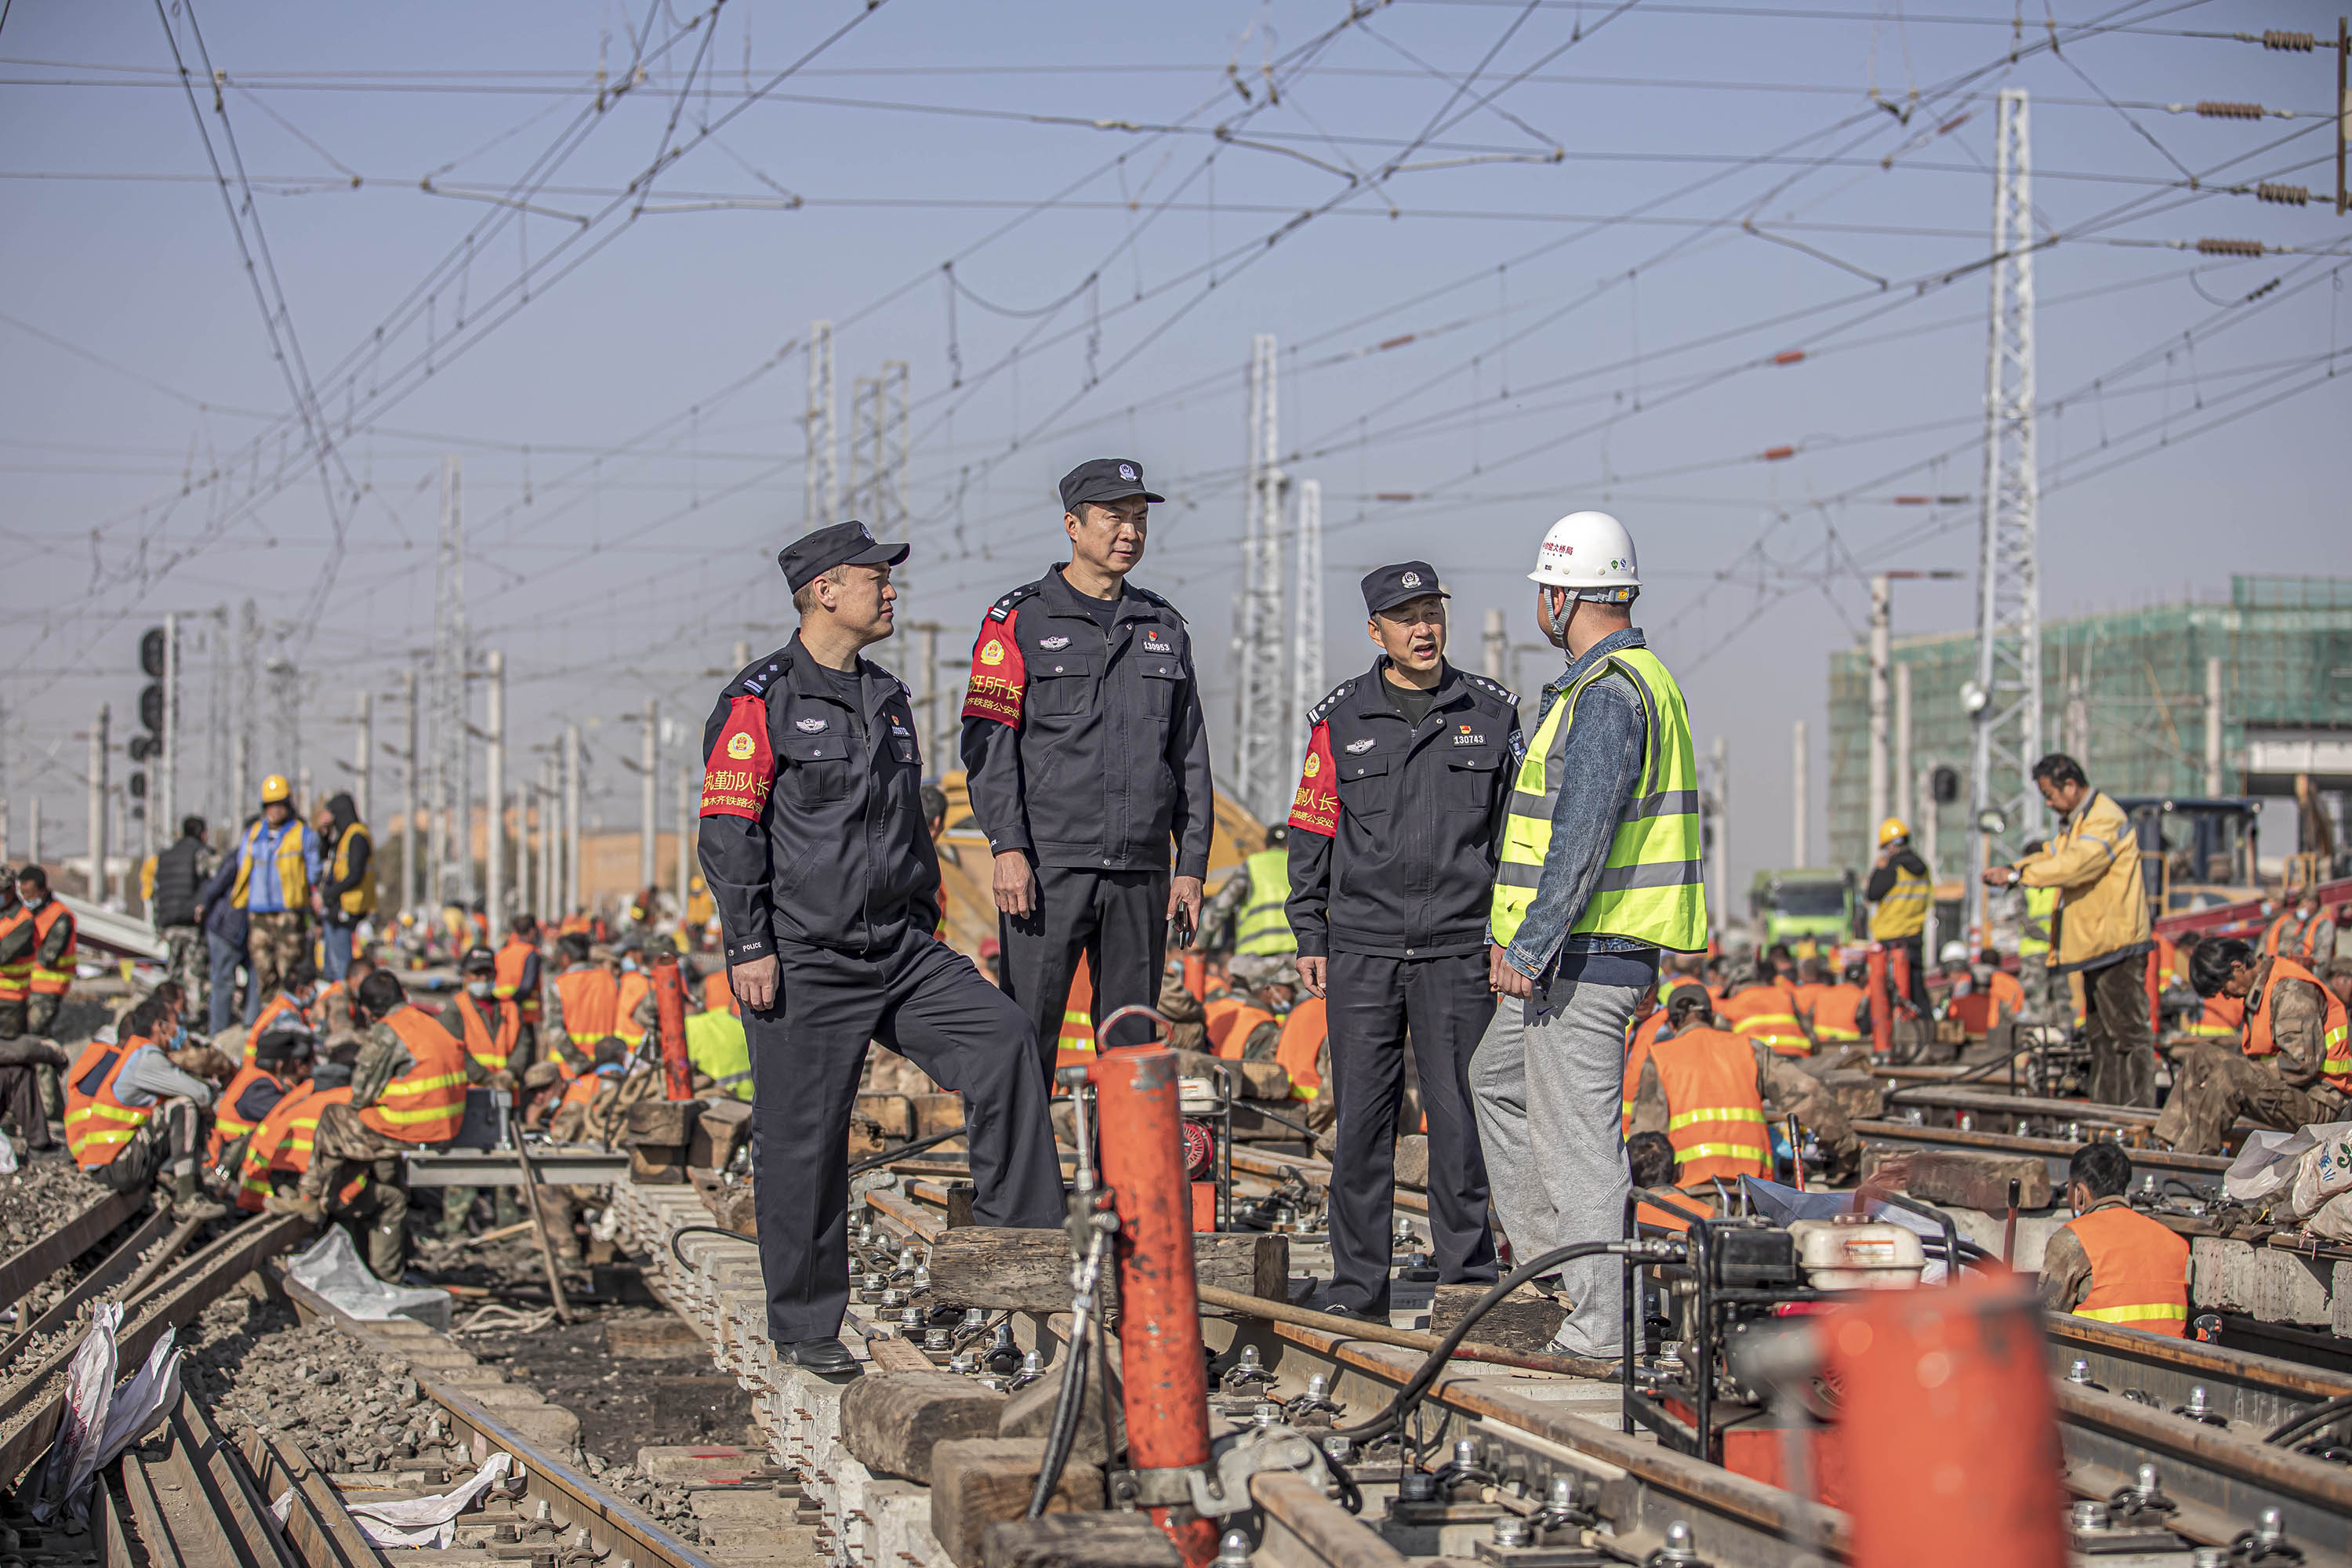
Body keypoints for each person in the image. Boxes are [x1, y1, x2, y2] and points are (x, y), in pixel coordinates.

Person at [700, 518, 1064, 1374]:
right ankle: (805, 1324)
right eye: (876, 577)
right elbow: (727, 830)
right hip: (802, 955)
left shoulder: (887, 695)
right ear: (826, 589)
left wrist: (927, 917)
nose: (891, 588)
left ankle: (1022, 1252)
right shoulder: (761, 698)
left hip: (898, 947)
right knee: (806, 1139)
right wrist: (750, 940)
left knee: (1003, 1039)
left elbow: (910, 823)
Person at [1469, 510, 1706, 1358]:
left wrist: (1529, 946)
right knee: (1493, 1079)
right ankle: (1562, 1272)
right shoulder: (1610, 684)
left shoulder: (1610, 694)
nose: (1540, 601)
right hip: (1582, 949)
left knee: (1578, 1141)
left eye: (1545, 589)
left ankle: (1602, 1327)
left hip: (1590, 952)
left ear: (1564, 596)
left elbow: (1582, 834)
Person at [1283, 561, 1519, 1321]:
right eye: (1405, 616)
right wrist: (1308, 927)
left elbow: (1516, 838)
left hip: (1457, 949)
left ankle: (1468, 1284)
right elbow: (1312, 827)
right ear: (1375, 630)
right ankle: (1358, 1291)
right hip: (1363, 948)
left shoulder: (1492, 713)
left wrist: (1509, 936)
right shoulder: (1341, 718)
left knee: (1460, 1124)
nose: (1424, 628)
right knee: (1363, 1126)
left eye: (1432, 613)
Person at [959, 459, 1213, 1070]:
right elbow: (988, 747)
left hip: (1141, 871)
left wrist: (1192, 864)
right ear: (1073, 525)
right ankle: (1021, 1171)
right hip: (1047, 870)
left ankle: (1121, 1171)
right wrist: (1007, 847)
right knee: (1026, 1035)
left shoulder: (1164, 626)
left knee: (1133, 1048)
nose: (1130, 532)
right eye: (1114, 518)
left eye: (1140, 520)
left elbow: (1190, 754)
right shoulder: (1017, 621)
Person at [268, 968, 493, 1281]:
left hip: (410, 1128)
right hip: (446, 1128)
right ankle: (351, 1220)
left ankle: (310, 1198)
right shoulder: (432, 1024)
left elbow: (361, 1095)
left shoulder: (388, 1032)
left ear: (366, 1011)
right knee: (377, 1167)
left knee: (333, 1119)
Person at [1983, 753, 2156, 1107]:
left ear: (2071, 786)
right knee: (2100, 1035)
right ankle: (2108, 1107)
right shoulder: (2077, 823)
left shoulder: (2104, 819)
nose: (2048, 803)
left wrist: (2019, 875)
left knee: (2128, 1033)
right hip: (2097, 945)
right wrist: (2014, 868)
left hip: (2118, 942)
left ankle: (2138, 1110)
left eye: (2050, 794)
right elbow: (2053, 854)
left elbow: (2077, 865)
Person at [1627, 985, 1857, 1187]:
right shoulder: (1750, 1048)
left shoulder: (1660, 1057)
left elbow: (1648, 1138)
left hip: (1690, 1186)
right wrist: (1847, 1147)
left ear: (1673, 1024)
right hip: (1754, 1186)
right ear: (1712, 1017)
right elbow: (1807, 1095)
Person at [2154, 936, 2346, 1154]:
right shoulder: (2263, 985)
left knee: (2232, 1075)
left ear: (2238, 968)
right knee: (2202, 1056)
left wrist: (2248, 1072)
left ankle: (2190, 1159)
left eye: (2223, 988)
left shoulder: (2290, 991)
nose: (2225, 996)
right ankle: (2166, 1143)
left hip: (2320, 1103)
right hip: (2295, 1090)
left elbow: (2301, 1064)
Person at [64, 995, 216, 1205]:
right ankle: (188, 1196)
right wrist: (212, 1089)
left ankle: (194, 1184)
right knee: (184, 1106)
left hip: (102, 1159)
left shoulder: (137, 1055)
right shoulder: (145, 1057)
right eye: (176, 1023)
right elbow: (202, 1094)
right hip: (113, 1165)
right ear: (159, 1026)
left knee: (181, 1107)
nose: (180, 1031)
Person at [2039, 1142, 2189, 1336]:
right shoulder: (2175, 1242)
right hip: (2173, 1363)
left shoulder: (2072, 1240)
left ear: (2079, 1194)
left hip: (2097, 1360)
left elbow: (2044, 1318)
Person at [225, 776, 323, 1025]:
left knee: (288, 969)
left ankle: (290, 1016)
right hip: (258, 912)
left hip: (288, 913)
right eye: (269, 805)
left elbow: (314, 873)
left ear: (288, 804)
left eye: (279, 804)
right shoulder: (253, 835)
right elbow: (243, 868)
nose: (274, 810)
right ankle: (271, 1017)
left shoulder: (303, 834)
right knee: (263, 969)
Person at [208, 1023, 311, 1167]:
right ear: (279, 1065)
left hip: (230, 1160)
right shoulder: (260, 1088)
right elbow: (288, 1115)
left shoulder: (251, 1076)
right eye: (293, 1061)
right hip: (227, 1168)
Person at [1865, 817, 1933, 1017]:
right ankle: (1925, 1024)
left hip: (1890, 937)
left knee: (1884, 989)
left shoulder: (1892, 869)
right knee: (1916, 986)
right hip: (1914, 935)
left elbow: (1872, 894)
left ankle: (1883, 1029)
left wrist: (1879, 869)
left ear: (1891, 846)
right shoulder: (1923, 869)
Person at [149, 817, 214, 1014]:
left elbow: (157, 893)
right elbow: (215, 880)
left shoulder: (165, 856)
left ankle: (171, 1015)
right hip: (191, 923)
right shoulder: (200, 853)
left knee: (174, 974)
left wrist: (159, 924)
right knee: (193, 974)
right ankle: (191, 1017)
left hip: (169, 924)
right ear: (202, 833)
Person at [193, 826, 254, 1036]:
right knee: (224, 981)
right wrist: (205, 907)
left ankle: (250, 1027)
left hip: (247, 929)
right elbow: (216, 885)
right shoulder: (241, 855)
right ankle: (219, 1034)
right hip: (228, 926)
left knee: (255, 977)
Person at [312, 793, 374, 982]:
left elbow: (354, 875)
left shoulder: (357, 836)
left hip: (347, 908)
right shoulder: (343, 837)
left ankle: (344, 1005)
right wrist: (323, 832)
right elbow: (324, 855)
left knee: (341, 968)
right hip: (335, 909)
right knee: (330, 968)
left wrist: (327, 894)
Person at [449, 946, 526, 1076]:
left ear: (496, 974)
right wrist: (486, 1078)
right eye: (477, 973)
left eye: (488, 973)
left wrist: (510, 1072)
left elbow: (522, 1046)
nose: (483, 978)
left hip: (506, 1089)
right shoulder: (455, 1009)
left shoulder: (511, 1009)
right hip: (471, 1090)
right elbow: (454, 1052)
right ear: (465, 976)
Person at [546, 935, 616, 1076]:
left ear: (566, 957)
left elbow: (555, 1032)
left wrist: (582, 1064)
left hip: (569, 1071)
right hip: (606, 1067)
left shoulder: (559, 986)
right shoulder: (611, 982)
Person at [1715, 960, 1812, 1057]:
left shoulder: (1732, 1004)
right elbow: (1810, 1034)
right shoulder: (1784, 995)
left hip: (1757, 1060)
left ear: (1734, 987)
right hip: (1796, 1056)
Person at [2015, 841, 2063, 1024]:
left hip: (2047, 952)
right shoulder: (2027, 886)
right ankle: (2041, 1039)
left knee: (2054, 999)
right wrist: (2052, 939)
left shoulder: (2056, 883)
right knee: (2041, 1000)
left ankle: (2056, 1039)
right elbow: (2025, 920)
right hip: (2043, 951)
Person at [1232, 826, 1298, 960]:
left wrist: (1201, 940)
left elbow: (1221, 905)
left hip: (1255, 957)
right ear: (1289, 847)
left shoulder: (1252, 864)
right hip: (1294, 955)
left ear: (1264, 846)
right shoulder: (1300, 866)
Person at [494, 913, 544, 1058]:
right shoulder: (531, 954)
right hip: (523, 1015)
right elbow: (527, 986)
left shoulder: (502, 953)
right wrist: (514, 1005)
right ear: (532, 931)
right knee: (525, 1056)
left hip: (503, 1012)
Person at [2264, 889, 2337, 967]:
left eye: (2302, 905)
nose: (2299, 909)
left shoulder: (2324, 923)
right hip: (2300, 969)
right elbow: (2295, 949)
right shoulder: (2305, 924)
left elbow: (2324, 954)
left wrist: (2314, 972)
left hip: (2314, 971)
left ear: (2314, 903)